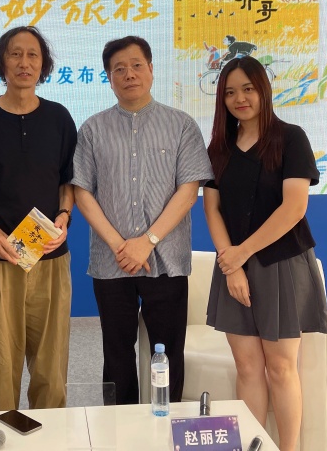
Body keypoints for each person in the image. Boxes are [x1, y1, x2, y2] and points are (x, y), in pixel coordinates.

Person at [71, 35, 211, 405]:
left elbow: (188, 191)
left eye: (136, 66)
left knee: (168, 352)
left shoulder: (181, 125)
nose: (129, 74)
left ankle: (165, 422)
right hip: (111, 261)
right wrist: (122, 246)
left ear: (151, 69)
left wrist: (146, 242)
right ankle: (120, 426)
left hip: (166, 259)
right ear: (109, 77)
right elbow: (82, 192)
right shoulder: (92, 129)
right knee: (116, 352)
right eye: (119, 69)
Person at [203, 56, 327, 451]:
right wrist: (231, 266)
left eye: (248, 88)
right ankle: (254, 445)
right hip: (233, 267)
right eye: (229, 92)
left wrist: (242, 253)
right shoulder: (219, 148)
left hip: (280, 264)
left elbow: (294, 208)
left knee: (280, 368)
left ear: (263, 90)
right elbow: (212, 210)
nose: (239, 98)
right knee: (247, 367)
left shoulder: (290, 138)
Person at [0, 26, 76, 411]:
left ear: (43, 64)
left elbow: (68, 180)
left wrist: (64, 215)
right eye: (15, 54)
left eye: (33, 55)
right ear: (1, 62)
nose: (24, 62)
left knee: (51, 364)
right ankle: (0, 433)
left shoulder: (59, 118)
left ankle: (51, 433)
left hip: (50, 257)